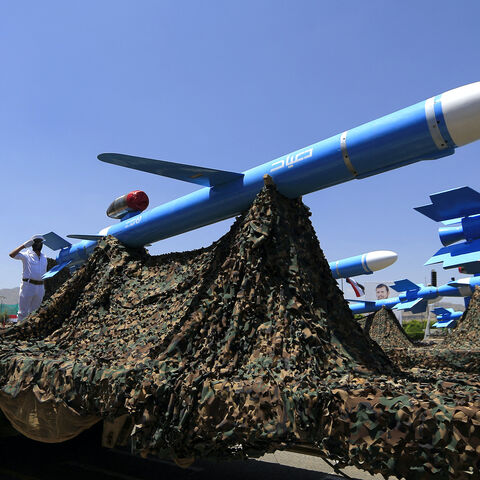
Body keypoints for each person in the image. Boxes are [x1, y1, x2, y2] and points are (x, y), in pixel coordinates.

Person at [9, 235, 47, 323]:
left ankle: (31, 332)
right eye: (36, 242)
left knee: (35, 312)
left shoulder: (44, 257)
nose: (38, 244)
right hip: (28, 285)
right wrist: (23, 246)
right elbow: (12, 254)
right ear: (32, 244)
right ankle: (19, 332)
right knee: (22, 313)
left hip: (40, 286)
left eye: (40, 242)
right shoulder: (26, 255)